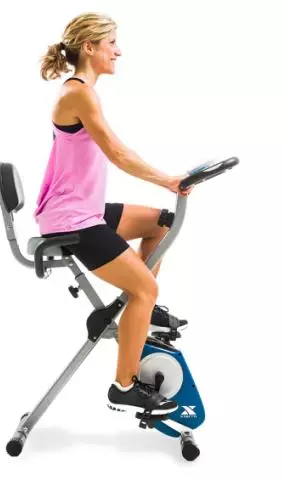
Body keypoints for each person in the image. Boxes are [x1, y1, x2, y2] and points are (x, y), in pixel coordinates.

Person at [34, 12, 193, 415]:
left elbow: (118, 151)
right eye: (112, 43)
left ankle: (140, 310)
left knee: (162, 222)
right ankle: (123, 387)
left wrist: (167, 183)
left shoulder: (84, 93)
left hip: (84, 211)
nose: (118, 51)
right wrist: (169, 180)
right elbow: (118, 153)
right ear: (90, 47)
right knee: (145, 289)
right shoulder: (78, 94)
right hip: (71, 220)